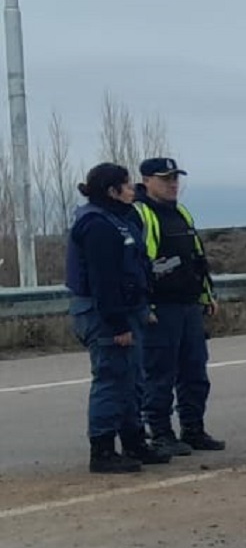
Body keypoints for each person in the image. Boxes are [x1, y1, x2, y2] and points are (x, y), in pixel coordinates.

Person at [65, 163, 171, 473]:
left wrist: (141, 308)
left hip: (128, 309)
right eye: (126, 186)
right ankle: (102, 449)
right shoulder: (97, 225)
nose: (132, 190)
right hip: (105, 315)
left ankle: (134, 441)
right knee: (111, 380)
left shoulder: (119, 220)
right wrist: (118, 325)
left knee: (132, 379)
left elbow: (133, 268)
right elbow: (104, 280)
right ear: (112, 191)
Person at [135, 157, 226, 455]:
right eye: (165, 179)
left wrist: (206, 295)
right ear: (147, 180)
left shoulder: (181, 213)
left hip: (188, 306)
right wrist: (143, 304)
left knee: (194, 373)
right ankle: (160, 433)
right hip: (161, 308)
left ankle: (193, 429)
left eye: (175, 178)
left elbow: (197, 259)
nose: (173, 184)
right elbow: (139, 265)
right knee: (160, 373)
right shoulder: (142, 214)